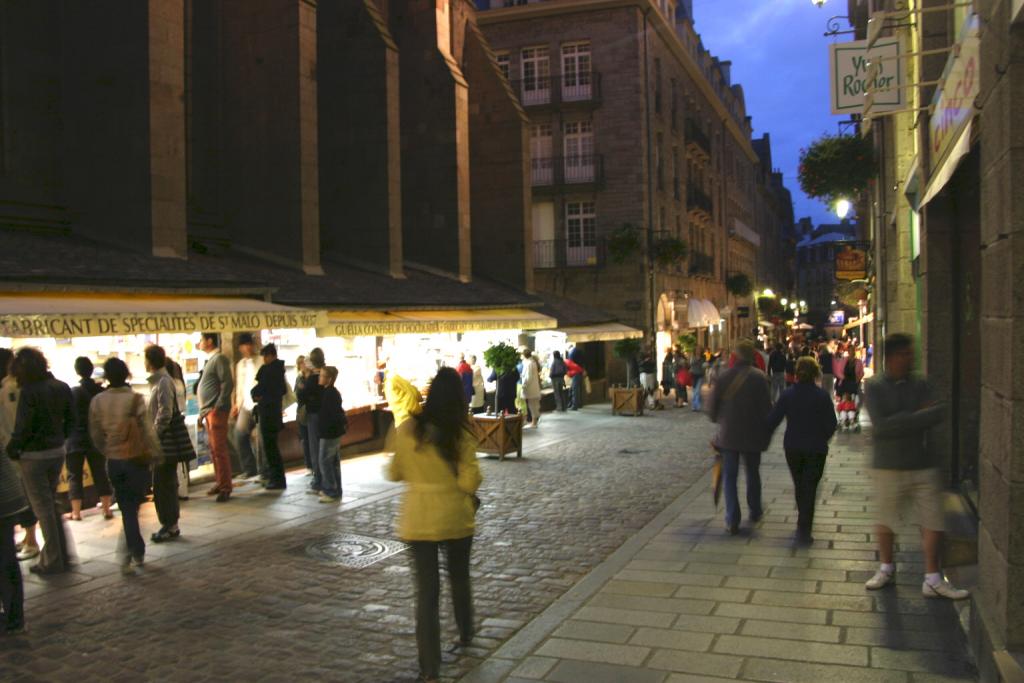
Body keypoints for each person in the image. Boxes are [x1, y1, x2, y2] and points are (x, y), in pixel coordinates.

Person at [385, 367, 482, 683]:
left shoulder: (408, 429)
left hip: (418, 519)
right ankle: (466, 631)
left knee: (426, 593)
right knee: (459, 578)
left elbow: (394, 473)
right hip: (455, 516)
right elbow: (470, 480)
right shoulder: (461, 432)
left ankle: (429, 666)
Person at [862, 334, 968, 599]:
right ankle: (886, 568)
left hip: (924, 462)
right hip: (888, 465)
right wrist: (919, 416)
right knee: (886, 519)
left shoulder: (922, 383)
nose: (911, 358)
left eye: (911, 354)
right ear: (892, 357)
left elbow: (940, 411)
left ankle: (933, 578)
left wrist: (900, 421)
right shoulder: (874, 386)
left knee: (933, 519)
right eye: (905, 354)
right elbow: (881, 425)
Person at [90, 358, 160, 574]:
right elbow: (147, 430)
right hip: (135, 460)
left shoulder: (98, 400)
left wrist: (108, 450)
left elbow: (95, 434)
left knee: (126, 507)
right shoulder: (135, 399)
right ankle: (133, 551)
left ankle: (133, 551)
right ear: (126, 374)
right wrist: (156, 452)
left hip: (114, 460)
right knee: (132, 508)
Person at [7, 348, 73, 575]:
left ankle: (53, 559)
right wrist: (60, 438)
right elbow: (72, 421)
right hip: (56, 452)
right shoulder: (61, 387)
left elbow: (23, 427)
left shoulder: (30, 391)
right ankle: (60, 554)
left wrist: (13, 448)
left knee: (42, 508)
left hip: (33, 456)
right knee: (50, 503)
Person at [766, 356, 838, 545]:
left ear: (796, 373)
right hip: (816, 448)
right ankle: (804, 529)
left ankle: (802, 524)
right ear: (816, 374)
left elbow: (773, 420)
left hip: (793, 446)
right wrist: (822, 437)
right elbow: (832, 424)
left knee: (800, 485)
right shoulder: (822, 396)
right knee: (810, 487)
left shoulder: (788, 395)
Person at [708, 340, 771, 535]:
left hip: (729, 435)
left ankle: (732, 518)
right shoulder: (760, 378)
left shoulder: (724, 376)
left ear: (735, 356)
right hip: (753, 434)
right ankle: (755, 509)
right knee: (752, 472)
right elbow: (767, 409)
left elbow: (711, 408)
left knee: (730, 476)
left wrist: (721, 418)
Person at [0, 350, 40, 563]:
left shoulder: (11, 388)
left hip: (14, 450)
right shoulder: (16, 386)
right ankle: (28, 538)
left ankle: (32, 540)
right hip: (18, 449)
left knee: (25, 496)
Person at [64, 357, 114, 522]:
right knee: (100, 472)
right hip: (95, 438)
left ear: (77, 371)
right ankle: (106, 509)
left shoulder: (73, 392)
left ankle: (76, 512)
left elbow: (68, 415)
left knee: (74, 475)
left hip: (75, 439)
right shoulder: (100, 391)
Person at [145, 346, 183, 543]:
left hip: (164, 443)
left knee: (163, 483)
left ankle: (169, 524)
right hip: (161, 441)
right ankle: (169, 524)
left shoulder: (163, 382)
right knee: (164, 482)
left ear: (150, 362)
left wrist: (154, 435)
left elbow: (165, 412)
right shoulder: (159, 381)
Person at [197, 332, 234, 502]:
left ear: (209, 341)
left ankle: (225, 486)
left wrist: (218, 405)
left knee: (219, 449)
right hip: (209, 411)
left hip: (215, 411)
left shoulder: (219, 359)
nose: (200, 343)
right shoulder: (211, 360)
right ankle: (220, 482)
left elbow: (227, 382)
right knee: (214, 449)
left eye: (201, 340)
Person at [0, 436, 28, 634]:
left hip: (3, 500)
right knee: (7, 558)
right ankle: (14, 615)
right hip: (7, 498)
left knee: (5, 559)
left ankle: (13, 617)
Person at [252, 343, 288, 490]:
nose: (264, 359)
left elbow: (260, 390)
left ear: (271, 355)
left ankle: (276, 479)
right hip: (273, 414)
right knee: (271, 447)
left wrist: (258, 396)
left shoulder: (270, 371)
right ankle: (276, 478)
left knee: (270, 448)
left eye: (265, 356)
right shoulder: (278, 370)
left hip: (268, 414)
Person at [231, 333, 262, 482]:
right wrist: (237, 404)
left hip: (259, 405)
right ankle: (250, 468)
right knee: (239, 434)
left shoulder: (260, 361)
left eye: (249, 344)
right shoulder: (240, 365)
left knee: (260, 438)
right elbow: (240, 386)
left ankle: (263, 470)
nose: (247, 348)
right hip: (246, 405)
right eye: (244, 345)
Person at [317, 366, 347, 503]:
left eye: (322, 376)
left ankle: (330, 490)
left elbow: (329, 416)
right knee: (333, 462)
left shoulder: (329, 394)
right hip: (333, 432)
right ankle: (336, 489)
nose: (319, 378)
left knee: (324, 461)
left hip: (329, 433)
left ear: (329, 379)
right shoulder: (331, 392)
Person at [165, 359, 192, 500]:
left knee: (174, 460)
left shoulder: (168, 384)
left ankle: (179, 490)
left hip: (172, 422)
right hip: (180, 420)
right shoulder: (179, 383)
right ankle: (183, 489)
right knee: (181, 461)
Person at [293, 355, 314, 476]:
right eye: (300, 363)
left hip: (310, 411)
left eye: (304, 362)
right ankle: (309, 465)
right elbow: (296, 394)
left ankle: (314, 464)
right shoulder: (299, 378)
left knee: (312, 438)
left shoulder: (312, 377)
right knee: (305, 440)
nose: (303, 365)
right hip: (301, 412)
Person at [520, 350, 542, 428]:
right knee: (534, 405)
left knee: (532, 405)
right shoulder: (532, 362)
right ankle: (534, 422)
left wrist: (524, 385)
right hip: (533, 387)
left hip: (530, 388)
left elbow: (528, 377)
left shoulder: (529, 363)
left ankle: (534, 422)